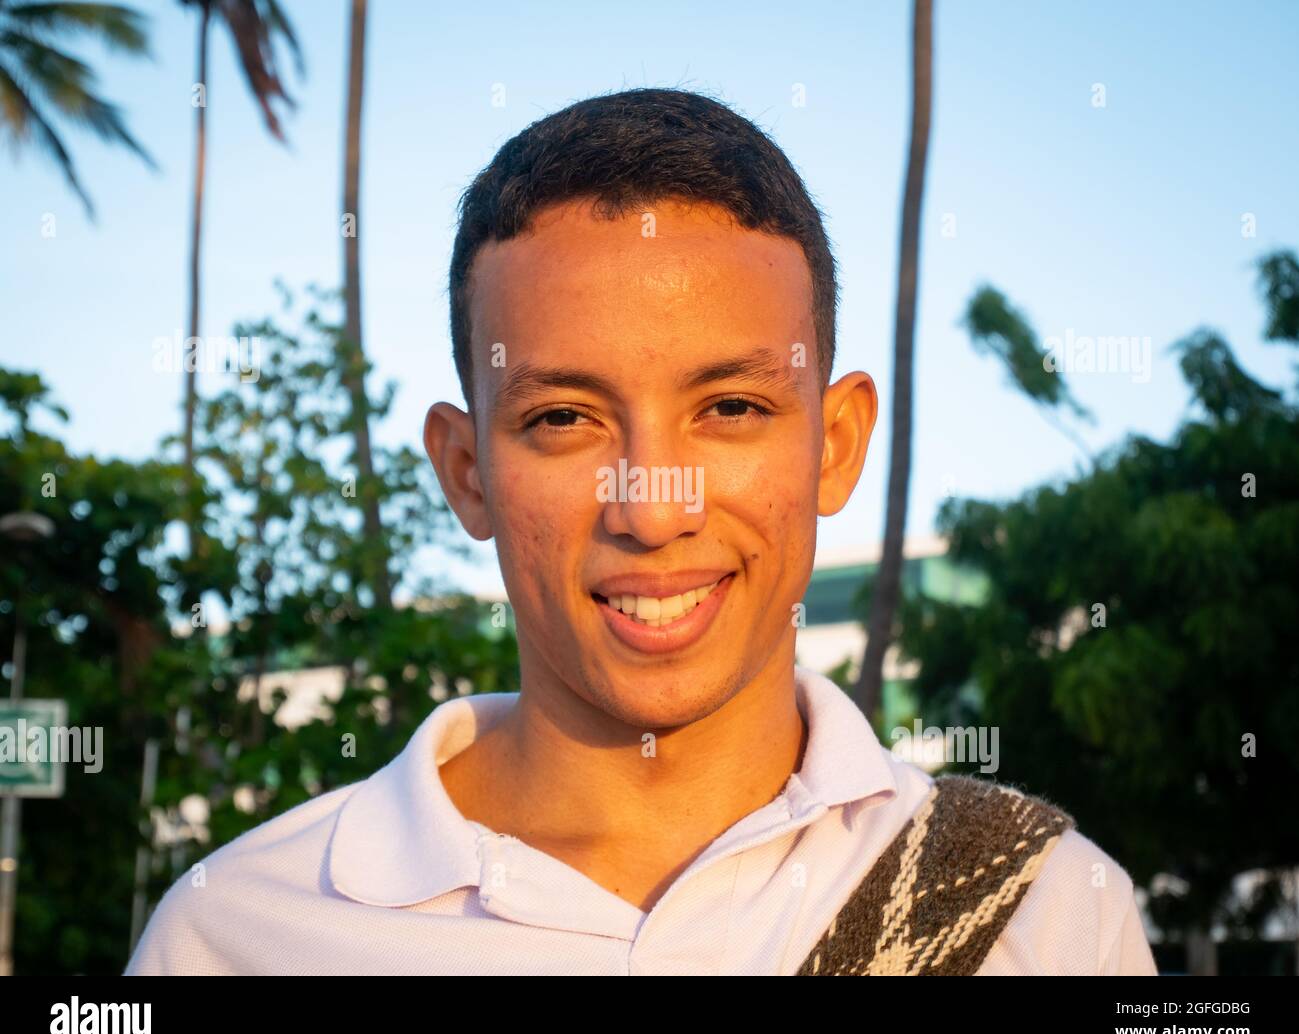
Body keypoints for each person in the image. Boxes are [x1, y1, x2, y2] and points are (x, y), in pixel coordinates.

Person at [126, 88, 1157, 976]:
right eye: (563, 420)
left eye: (732, 408)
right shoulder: (236, 935)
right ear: (466, 471)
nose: (653, 508)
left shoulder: (1049, 917)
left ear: (835, 445)